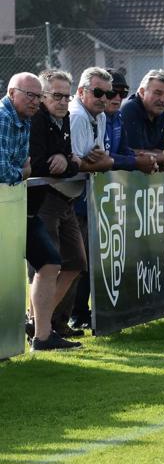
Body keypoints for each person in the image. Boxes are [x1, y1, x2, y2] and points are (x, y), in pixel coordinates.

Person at [2, 72, 78, 351]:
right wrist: (26, 171)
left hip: (23, 209)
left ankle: (42, 336)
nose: (35, 101)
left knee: (50, 263)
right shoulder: (4, 118)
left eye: (37, 96)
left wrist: (55, 162)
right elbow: (8, 169)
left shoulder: (27, 119)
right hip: (7, 210)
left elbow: (64, 160)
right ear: (12, 94)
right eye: (30, 95)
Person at [26, 70, 86, 348]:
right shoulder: (36, 121)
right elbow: (39, 165)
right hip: (44, 200)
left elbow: (71, 162)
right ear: (43, 97)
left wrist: (64, 158)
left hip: (65, 199)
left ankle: (37, 322)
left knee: (75, 264)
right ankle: (41, 331)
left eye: (67, 96)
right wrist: (64, 160)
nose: (63, 102)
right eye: (57, 96)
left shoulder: (63, 119)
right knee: (47, 265)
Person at [63, 67, 116, 330]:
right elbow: (78, 163)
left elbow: (98, 157)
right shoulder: (77, 117)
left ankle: (65, 321)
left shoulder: (99, 116)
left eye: (108, 93)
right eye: (97, 92)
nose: (104, 98)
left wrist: (95, 162)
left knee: (80, 263)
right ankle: (56, 321)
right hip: (63, 200)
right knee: (68, 265)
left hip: (81, 198)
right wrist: (96, 163)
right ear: (82, 92)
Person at [105, 69, 160, 175]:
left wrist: (145, 159)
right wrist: (135, 162)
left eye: (122, 93)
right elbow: (100, 157)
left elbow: (123, 150)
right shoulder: (94, 117)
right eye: (112, 92)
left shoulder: (118, 116)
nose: (117, 98)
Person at [120, 69, 164, 170]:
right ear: (142, 92)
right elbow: (131, 153)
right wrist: (162, 158)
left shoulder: (161, 109)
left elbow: (158, 150)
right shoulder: (130, 109)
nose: (163, 100)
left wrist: (159, 156)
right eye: (158, 93)